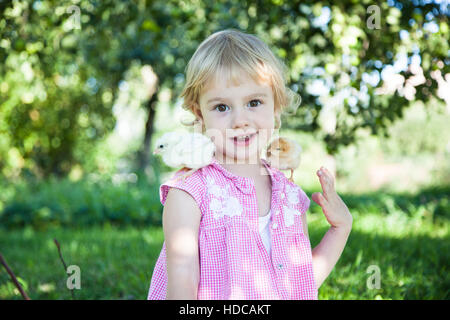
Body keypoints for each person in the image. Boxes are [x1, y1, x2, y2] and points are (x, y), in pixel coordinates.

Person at [147, 29, 353, 300]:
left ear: (276, 107)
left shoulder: (289, 195)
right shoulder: (190, 192)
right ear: (200, 114)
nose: (240, 120)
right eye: (222, 107)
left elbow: (299, 283)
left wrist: (341, 228)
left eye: (254, 102)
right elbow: (182, 277)